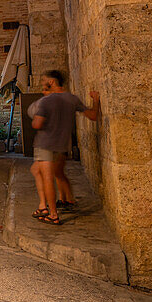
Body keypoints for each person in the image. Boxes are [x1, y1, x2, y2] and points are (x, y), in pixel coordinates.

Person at [28, 70, 100, 225]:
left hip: (45, 144)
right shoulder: (72, 99)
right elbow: (93, 116)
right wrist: (96, 100)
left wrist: (34, 119)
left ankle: (51, 213)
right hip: (62, 144)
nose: (42, 83)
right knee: (50, 173)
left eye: (44, 80)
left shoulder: (46, 101)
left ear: (52, 82)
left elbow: (37, 124)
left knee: (47, 179)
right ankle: (64, 201)